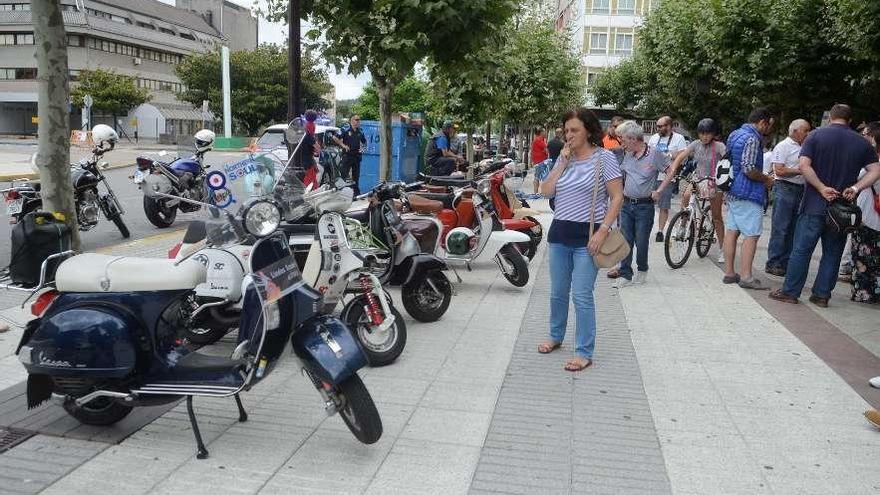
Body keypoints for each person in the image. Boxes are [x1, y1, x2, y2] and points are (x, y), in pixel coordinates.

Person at [536, 108, 624, 372]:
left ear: (588, 130)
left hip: (589, 237)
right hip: (560, 234)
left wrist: (603, 231)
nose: (569, 135)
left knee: (582, 295)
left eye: (574, 130)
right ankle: (555, 336)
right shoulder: (563, 158)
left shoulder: (604, 158)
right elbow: (546, 191)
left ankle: (584, 351)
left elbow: (617, 197)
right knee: (558, 292)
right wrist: (561, 162)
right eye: (566, 131)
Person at [769, 104, 880, 307]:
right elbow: (875, 170)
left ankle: (791, 291)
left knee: (801, 250)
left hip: (814, 204)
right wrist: (855, 188)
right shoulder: (861, 142)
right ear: (850, 120)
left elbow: (804, 165)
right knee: (832, 253)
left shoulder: (815, 136)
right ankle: (821, 295)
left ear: (831, 118)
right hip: (843, 210)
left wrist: (821, 187)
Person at [722, 107, 776, 290]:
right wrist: (767, 179)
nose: (769, 130)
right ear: (762, 122)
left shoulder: (735, 134)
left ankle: (729, 273)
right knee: (751, 235)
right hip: (748, 192)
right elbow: (748, 168)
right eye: (769, 125)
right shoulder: (753, 138)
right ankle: (746, 276)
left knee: (732, 231)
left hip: (732, 190)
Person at [661, 118, 727, 262]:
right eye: (702, 133)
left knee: (716, 217)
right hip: (698, 179)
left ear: (714, 133)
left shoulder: (719, 146)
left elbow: (729, 160)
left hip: (714, 182)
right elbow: (682, 156)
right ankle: (683, 226)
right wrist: (673, 168)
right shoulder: (696, 144)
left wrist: (726, 181)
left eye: (708, 133)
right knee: (685, 196)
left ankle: (723, 249)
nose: (704, 136)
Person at [613, 120, 666, 287]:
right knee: (625, 240)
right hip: (627, 204)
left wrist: (659, 189)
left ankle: (642, 269)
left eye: (624, 140)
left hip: (645, 206)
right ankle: (625, 274)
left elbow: (670, 169)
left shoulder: (654, 154)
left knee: (641, 241)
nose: (622, 143)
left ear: (633, 139)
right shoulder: (626, 154)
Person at [764, 119, 812, 276]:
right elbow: (779, 170)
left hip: (800, 189)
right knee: (781, 227)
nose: (807, 134)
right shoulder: (783, 146)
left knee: (793, 228)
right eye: (805, 130)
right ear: (795, 131)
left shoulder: (804, 147)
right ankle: (774, 261)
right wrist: (801, 171)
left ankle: (785, 262)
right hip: (785, 188)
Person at [851, 122, 880, 304]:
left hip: (869, 215)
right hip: (874, 216)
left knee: (863, 257)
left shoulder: (874, 166)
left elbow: (858, 179)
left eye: (868, 136)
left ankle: (864, 293)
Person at [648, 116, 687, 242]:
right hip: (652, 175)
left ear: (669, 126)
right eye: (657, 126)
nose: (658, 128)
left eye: (661, 126)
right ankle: (647, 229)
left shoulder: (678, 138)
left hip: (667, 177)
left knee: (663, 206)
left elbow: (683, 155)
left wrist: (669, 155)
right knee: (648, 204)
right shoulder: (654, 138)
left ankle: (660, 231)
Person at [332, 114, 367, 195]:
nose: (358, 121)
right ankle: (339, 193)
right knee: (343, 175)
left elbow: (364, 142)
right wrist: (343, 145)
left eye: (359, 120)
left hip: (356, 156)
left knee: (356, 177)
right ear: (351, 120)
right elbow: (335, 137)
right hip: (347, 156)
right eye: (356, 120)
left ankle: (355, 194)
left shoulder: (360, 131)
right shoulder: (345, 128)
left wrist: (363, 149)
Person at [531, 128, 549, 194]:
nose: (546, 133)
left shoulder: (539, 140)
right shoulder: (539, 140)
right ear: (541, 132)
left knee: (539, 176)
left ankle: (537, 192)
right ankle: (536, 192)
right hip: (540, 161)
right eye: (545, 132)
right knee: (539, 177)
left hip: (539, 161)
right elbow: (547, 150)